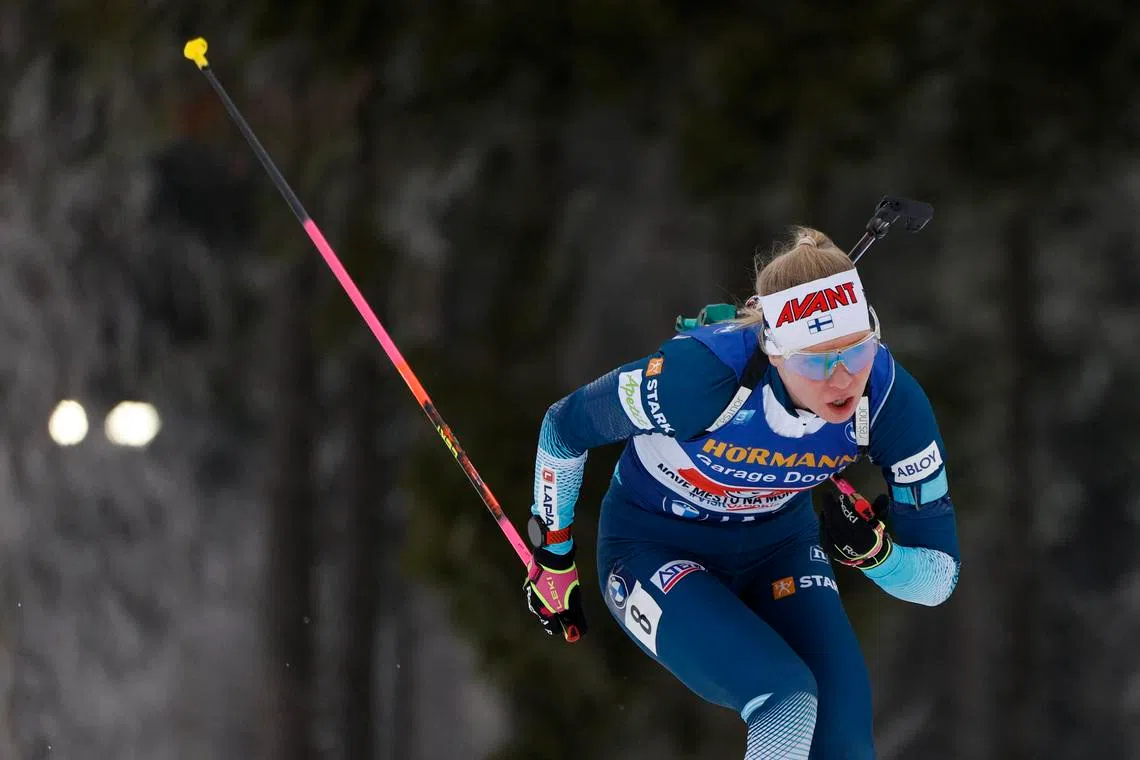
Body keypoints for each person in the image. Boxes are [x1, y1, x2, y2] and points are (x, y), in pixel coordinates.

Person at [522, 227, 960, 759]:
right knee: (786, 699)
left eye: (856, 350)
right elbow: (563, 427)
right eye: (816, 361)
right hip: (654, 549)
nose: (842, 379)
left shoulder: (891, 399)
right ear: (775, 353)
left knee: (843, 743)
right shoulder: (700, 379)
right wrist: (554, 552)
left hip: (779, 549)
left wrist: (877, 555)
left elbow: (938, 578)